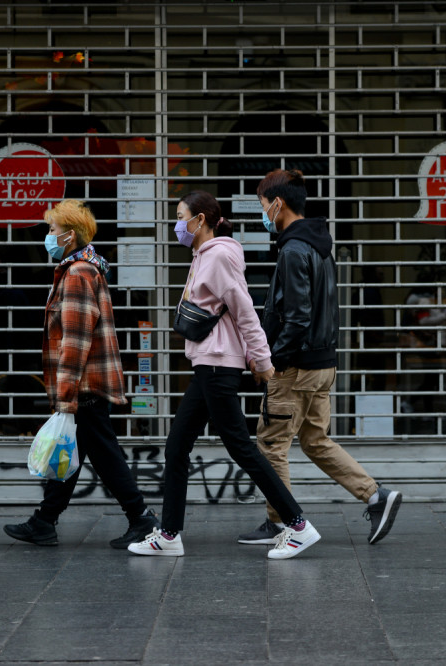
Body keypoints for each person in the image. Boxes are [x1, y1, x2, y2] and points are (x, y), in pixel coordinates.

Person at [128, 191, 321, 560]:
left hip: (217, 366)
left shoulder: (218, 256)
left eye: (181, 216)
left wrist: (261, 359)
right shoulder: (204, 255)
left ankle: (298, 525)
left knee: (242, 449)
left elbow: (244, 309)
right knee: (177, 446)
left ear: (200, 220)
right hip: (208, 365)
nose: (177, 224)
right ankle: (169, 535)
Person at [236, 169, 403, 547]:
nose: (262, 214)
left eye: (263, 206)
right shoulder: (318, 246)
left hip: (295, 368)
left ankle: (281, 522)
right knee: (315, 440)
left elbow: (296, 317)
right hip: (322, 364)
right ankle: (377, 496)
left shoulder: (294, 250)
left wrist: (271, 360)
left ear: (277, 204)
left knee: (272, 444)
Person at [3, 200, 159, 549]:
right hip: (88, 381)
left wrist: (66, 392)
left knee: (102, 452)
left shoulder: (76, 275)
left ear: (69, 236)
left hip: (84, 383)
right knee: (77, 449)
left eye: (52, 230)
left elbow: (75, 339)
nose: (48, 236)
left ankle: (142, 519)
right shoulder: (87, 269)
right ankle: (44, 520)